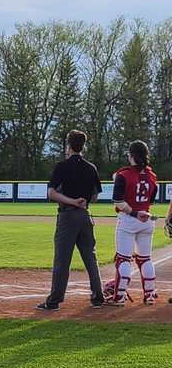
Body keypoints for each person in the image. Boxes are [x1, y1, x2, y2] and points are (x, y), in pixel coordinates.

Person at [38, 130, 106, 311]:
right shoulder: (91, 167)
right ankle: (98, 297)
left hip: (68, 216)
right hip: (85, 216)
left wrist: (72, 201)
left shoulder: (62, 166)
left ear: (69, 145)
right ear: (83, 146)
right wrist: (81, 200)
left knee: (62, 259)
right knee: (90, 257)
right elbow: (95, 196)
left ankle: (54, 301)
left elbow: (52, 193)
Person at [104, 141, 159, 306]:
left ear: (132, 155)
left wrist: (134, 213)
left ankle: (119, 297)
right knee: (145, 259)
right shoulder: (152, 176)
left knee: (123, 259)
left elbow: (118, 201)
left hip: (129, 219)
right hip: (147, 219)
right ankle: (149, 295)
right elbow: (151, 199)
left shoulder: (124, 174)